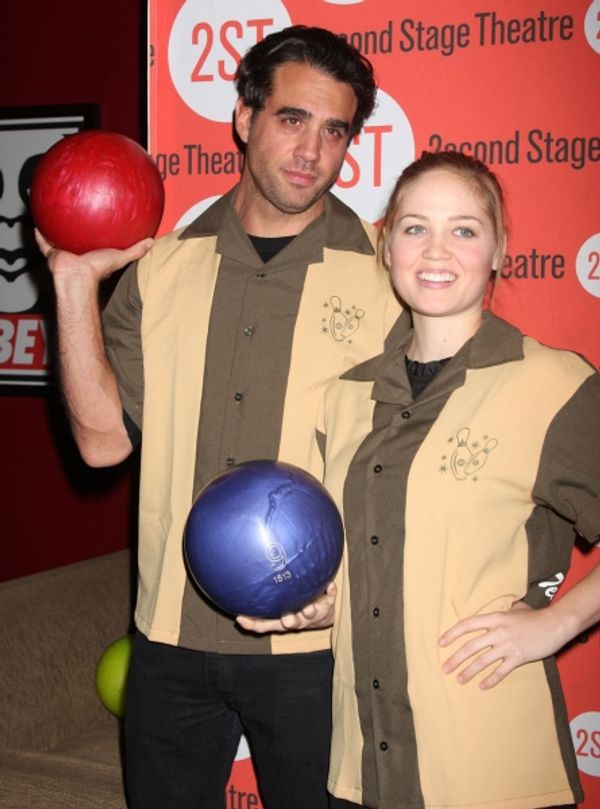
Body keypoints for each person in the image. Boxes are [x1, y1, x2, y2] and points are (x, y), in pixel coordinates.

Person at [36, 25, 401, 809]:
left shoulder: (389, 279)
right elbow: (101, 445)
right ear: (244, 117)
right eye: (292, 119)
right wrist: (71, 286)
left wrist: (353, 591)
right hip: (168, 640)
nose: (311, 151)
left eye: (335, 131)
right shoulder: (161, 266)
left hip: (319, 645)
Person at [268, 150, 599, 809]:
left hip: (489, 764)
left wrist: (556, 623)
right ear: (387, 246)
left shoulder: (554, 385)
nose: (436, 250)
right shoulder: (346, 396)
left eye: (464, 229)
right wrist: (324, 603)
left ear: (498, 250)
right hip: (362, 766)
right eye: (415, 227)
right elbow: (369, 554)